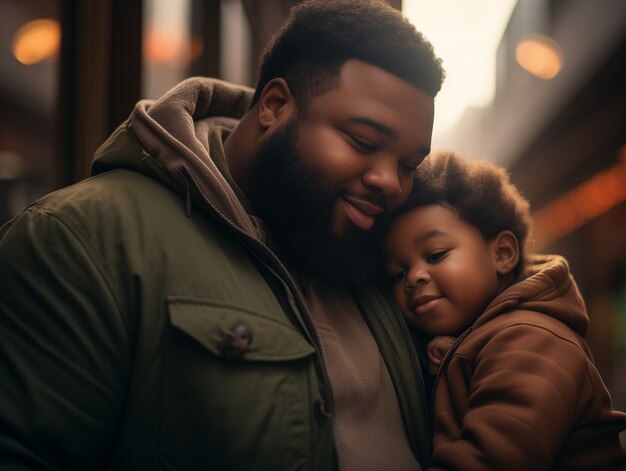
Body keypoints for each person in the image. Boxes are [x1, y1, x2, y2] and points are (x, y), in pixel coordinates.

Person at [0, 1, 445, 469]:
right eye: (363, 142)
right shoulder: (79, 240)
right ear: (275, 105)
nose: (390, 182)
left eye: (408, 165)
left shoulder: (389, 264)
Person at [383, 150, 626, 470]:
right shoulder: (479, 340)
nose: (414, 277)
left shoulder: (530, 340)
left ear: (502, 253)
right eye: (398, 274)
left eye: (436, 255)